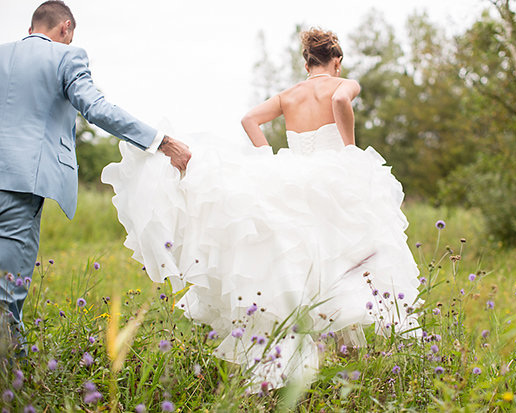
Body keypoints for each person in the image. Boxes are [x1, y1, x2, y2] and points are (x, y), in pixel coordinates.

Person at [102, 28, 420, 389]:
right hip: (334, 177)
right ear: (337, 61)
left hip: (294, 176)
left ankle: (282, 361)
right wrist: (349, 150)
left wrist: (264, 157)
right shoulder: (344, 83)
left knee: (298, 262)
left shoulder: (288, 95)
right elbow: (340, 103)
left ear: (305, 63)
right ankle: (348, 369)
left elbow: (249, 120)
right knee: (343, 257)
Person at [0, 0, 192, 351]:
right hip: (20, 182)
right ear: (66, 29)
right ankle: (15, 373)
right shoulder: (65, 57)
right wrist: (159, 140)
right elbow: (96, 108)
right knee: (7, 291)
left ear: (30, 29)